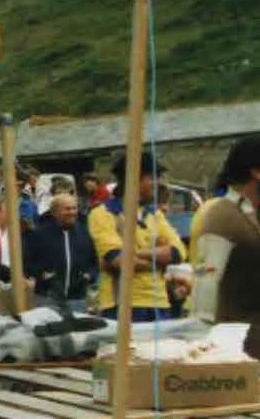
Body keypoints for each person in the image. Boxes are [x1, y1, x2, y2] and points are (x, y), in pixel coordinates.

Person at [89, 151, 185, 323]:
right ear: (133, 179)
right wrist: (160, 258)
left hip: (160, 304)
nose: (158, 183)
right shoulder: (103, 214)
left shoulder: (154, 214)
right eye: (153, 177)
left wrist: (137, 253)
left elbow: (179, 253)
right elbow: (120, 261)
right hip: (123, 305)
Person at [192, 136, 260, 358]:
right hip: (237, 349)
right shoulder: (222, 216)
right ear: (256, 172)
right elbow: (205, 286)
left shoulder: (253, 214)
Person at [24, 191, 97, 313]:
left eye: (74, 208)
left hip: (77, 299)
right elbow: (27, 261)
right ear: (54, 212)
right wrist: (42, 275)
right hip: (47, 298)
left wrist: (89, 276)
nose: (72, 212)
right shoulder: (39, 234)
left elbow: (94, 262)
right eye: (67, 209)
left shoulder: (84, 233)